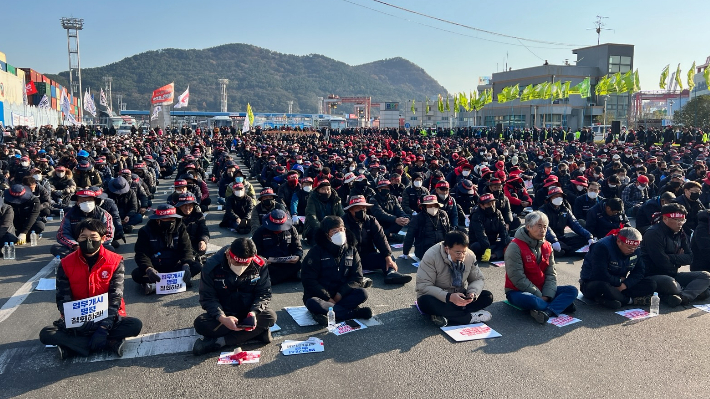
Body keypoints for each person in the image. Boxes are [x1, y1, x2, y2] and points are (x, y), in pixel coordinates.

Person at [39, 219, 142, 359]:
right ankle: (108, 343)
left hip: (107, 317)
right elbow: (62, 299)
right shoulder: (66, 263)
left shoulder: (115, 261)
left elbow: (115, 298)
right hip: (79, 319)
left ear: (103, 238)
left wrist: (103, 328)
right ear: (77, 239)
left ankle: (76, 345)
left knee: (134, 325)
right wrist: (78, 324)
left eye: (93, 237)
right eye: (83, 237)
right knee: (46, 334)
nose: (88, 241)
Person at [192, 238, 276, 356]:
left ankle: (220, 342)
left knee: (270, 316)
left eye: (245, 264)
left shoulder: (259, 264)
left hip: (248, 312)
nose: (241, 267)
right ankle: (255, 333)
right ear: (228, 255)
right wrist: (222, 318)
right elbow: (208, 298)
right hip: (224, 313)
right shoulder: (211, 266)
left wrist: (254, 312)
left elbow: (264, 293)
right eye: (237, 263)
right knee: (201, 324)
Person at [503, 211, 578, 324]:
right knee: (535, 301)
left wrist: (547, 295)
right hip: (518, 291)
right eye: (539, 226)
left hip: (543, 288)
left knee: (572, 290)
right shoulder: (515, 246)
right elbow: (517, 278)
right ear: (528, 227)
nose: (543, 230)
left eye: (545, 227)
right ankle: (558, 306)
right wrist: (540, 295)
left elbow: (551, 273)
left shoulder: (547, 245)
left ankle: (547, 312)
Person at [301, 215, 371, 324]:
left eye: (341, 229)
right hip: (322, 298)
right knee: (313, 303)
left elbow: (357, 278)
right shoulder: (316, 252)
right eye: (334, 231)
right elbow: (309, 280)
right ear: (326, 234)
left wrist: (340, 295)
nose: (339, 233)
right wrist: (328, 298)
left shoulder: (351, 250)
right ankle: (353, 313)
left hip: (342, 295)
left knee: (362, 293)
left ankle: (328, 314)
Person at [415, 230, 494, 327]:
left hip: (460, 295)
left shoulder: (470, 255)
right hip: (440, 298)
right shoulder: (431, 255)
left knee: (487, 296)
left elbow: (478, 279)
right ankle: (468, 318)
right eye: (457, 252)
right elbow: (423, 286)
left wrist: (472, 294)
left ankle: (447, 316)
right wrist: (449, 297)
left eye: (464, 252)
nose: (461, 256)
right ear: (447, 249)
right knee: (425, 302)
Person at [641, 203, 710, 306]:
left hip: (672, 273)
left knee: (705, 276)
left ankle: (682, 297)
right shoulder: (653, 233)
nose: (680, 223)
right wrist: (678, 259)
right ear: (665, 218)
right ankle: (687, 293)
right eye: (677, 220)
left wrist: (671, 257)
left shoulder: (680, 232)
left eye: (682, 220)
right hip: (653, 275)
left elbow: (690, 257)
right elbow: (661, 262)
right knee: (671, 283)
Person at [579, 227, 657, 309]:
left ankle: (612, 299)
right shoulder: (602, 247)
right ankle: (630, 301)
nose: (633, 251)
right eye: (629, 248)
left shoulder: (636, 250)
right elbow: (599, 273)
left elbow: (640, 271)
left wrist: (625, 284)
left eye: (635, 247)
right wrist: (618, 281)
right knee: (604, 286)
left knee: (651, 284)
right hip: (595, 282)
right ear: (619, 242)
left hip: (620, 284)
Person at [342, 195, 411, 285]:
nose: (362, 210)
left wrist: (388, 257)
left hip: (366, 256)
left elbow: (381, 239)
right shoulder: (342, 222)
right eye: (358, 208)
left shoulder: (371, 220)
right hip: (349, 258)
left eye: (363, 207)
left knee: (387, 256)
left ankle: (391, 273)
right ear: (350, 210)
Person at [133, 204, 201, 294]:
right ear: (158, 220)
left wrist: (186, 264)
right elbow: (141, 253)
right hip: (156, 267)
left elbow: (186, 249)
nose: (170, 221)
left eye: (172, 219)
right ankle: (178, 282)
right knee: (136, 274)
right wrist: (148, 269)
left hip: (176, 265)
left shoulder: (181, 228)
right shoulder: (145, 231)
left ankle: (155, 286)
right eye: (166, 219)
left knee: (197, 266)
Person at [52, 189, 115, 258]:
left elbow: (109, 234)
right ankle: (78, 259)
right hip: (77, 246)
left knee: (110, 249)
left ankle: (90, 259)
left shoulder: (104, 214)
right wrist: (75, 245)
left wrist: (95, 246)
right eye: (83, 201)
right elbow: (62, 234)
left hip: (97, 246)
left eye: (89, 200)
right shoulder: (69, 214)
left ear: (95, 201)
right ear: (78, 202)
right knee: (55, 248)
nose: (87, 203)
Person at [252, 209, 303, 285]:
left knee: (299, 264)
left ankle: (273, 279)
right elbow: (253, 253)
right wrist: (262, 259)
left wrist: (297, 256)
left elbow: (298, 247)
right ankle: (287, 276)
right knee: (258, 268)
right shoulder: (260, 232)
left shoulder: (292, 230)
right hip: (268, 264)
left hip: (287, 262)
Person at [541, 186, 595, 256]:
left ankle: (567, 250)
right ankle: (571, 251)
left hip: (561, 238)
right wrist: (553, 240)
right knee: (556, 248)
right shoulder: (543, 210)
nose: (558, 198)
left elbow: (575, 225)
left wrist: (589, 236)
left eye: (560, 196)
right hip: (548, 239)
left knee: (584, 240)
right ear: (550, 198)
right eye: (555, 197)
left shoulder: (565, 210)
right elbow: (546, 228)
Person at [403, 195, 451, 260]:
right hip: (424, 250)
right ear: (424, 206)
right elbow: (410, 235)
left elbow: (448, 231)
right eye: (430, 206)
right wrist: (405, 252)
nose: (433, 208)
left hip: (442, 247)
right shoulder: (418, 218)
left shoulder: (443, 215)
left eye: (435, 205)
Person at [467, 193, 510, 262]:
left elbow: (503, 230)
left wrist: (505, 243)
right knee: (476, 246)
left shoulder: (497, 213)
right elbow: (480, 234)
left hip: (493, 241)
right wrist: (487, 248)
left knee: (510, 241)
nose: (492, 206)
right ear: (481, 205)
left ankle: (495, 254)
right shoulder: (476, 215)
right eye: (488, 204)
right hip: (480, 242)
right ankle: (497, 253)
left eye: (493, 203)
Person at [304, 179, 344, 244]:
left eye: (328, 189)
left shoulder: (336, 199)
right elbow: (311, 215)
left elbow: (341, 213)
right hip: (317, 225)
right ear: (318, 190)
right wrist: (321, 228)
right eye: (323, 189)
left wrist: (340, 226)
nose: (326, 191)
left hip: (333, 225)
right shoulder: (312, 199)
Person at [176, 193, 210, 260]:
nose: (187, 208)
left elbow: (204, 230)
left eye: (190, 205)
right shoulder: (174, 217)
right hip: (178, 244)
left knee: (202, 249)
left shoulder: (199, 216)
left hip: (193, 242)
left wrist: (203, 240)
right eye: (184, 205)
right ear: (179, 206)